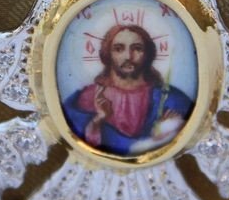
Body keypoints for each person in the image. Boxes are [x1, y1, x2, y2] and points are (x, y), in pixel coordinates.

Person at [62, 24, 194, 155]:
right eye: (118, 49)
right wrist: (97, 121)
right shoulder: (87, 98)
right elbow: (78, 145)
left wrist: (168, 129)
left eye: (137, 49)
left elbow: (188, 137)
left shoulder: (169, 99)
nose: (128, 57)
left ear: (148, 54)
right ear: (107, 54)